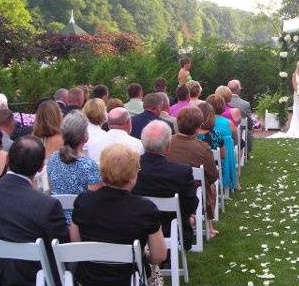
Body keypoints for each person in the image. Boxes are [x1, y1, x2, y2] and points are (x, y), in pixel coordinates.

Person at [70, 144, 167, 286]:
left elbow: (76, 244)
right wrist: (143, 255)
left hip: (89, 279)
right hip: (130, 280)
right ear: (132, 176)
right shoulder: (145, 209)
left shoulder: (83, 201)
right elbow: (159, 255)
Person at [0, 136, 68, 286]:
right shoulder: (47, 205)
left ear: (7, 160)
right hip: (33, 279)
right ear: (40, 168)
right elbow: (60, 251)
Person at [132, 120, 199, 250]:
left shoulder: (131, 167)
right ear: (168, 146)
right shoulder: (181, 172)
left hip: (137, 225)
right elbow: (191, 204)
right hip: (171, 227)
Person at [168, 107, 220, 237]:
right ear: (198, 127)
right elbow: (213, 175)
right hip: (190, 191)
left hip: (166, 185)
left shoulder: (166, 142)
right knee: (210, 185)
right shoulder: (203, 148)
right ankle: (209, 225)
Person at [47, 110, 102, 222]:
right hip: (81, 221)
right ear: (85, 136)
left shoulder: (52, 158)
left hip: (56, 218)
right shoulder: (89, 165)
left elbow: (51, 188)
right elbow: (94, 201)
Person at [268, 59, 299, 139]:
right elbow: (294, 86)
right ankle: (297, 129)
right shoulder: (295, 74)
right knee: (297, 111)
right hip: (298, 95)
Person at [228, 79, 253, 152]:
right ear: (238, 90)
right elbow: (249, 122)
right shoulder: (245, 104)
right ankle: (245, 151)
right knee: (247, 130)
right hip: (240, 134)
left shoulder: (221, 102)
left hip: (224, 133)